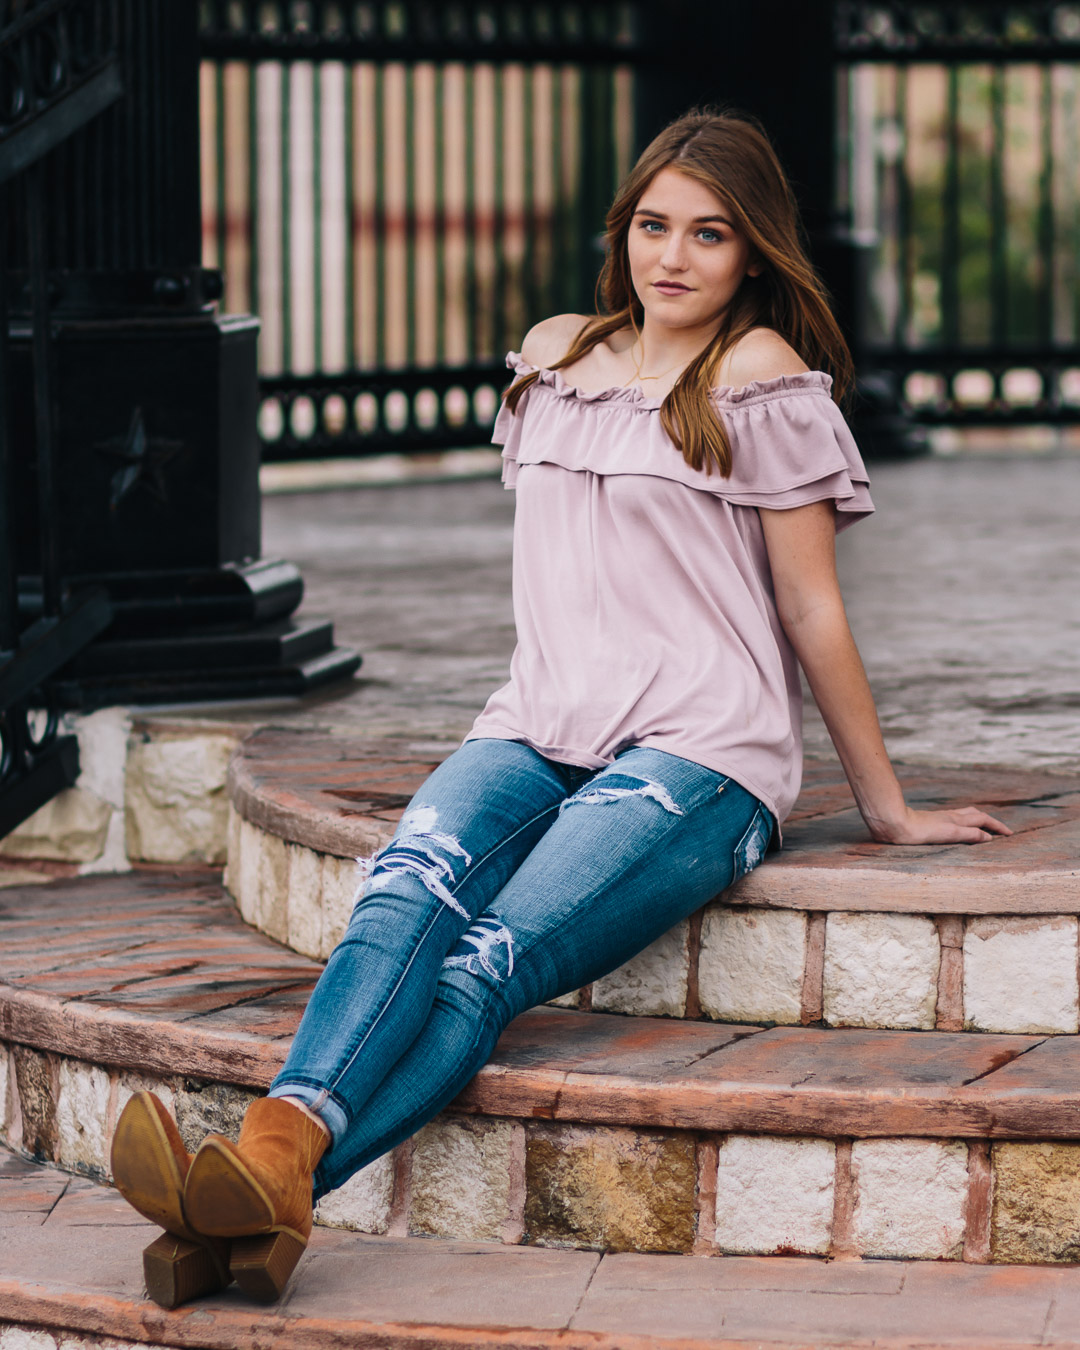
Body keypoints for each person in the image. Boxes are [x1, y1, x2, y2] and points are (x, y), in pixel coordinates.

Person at [110, 108, 1010, 1308]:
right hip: (537, 721)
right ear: (623, 230)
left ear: (755, 254)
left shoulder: (759, 378)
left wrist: (886, 808)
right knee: (400, 892)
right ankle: (266, 1185)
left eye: (710, 234)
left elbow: (812, 610)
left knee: (486, 960)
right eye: (653, 225)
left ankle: (269, 1179)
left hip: (702, 754)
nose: (673, 257)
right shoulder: (553, 357)